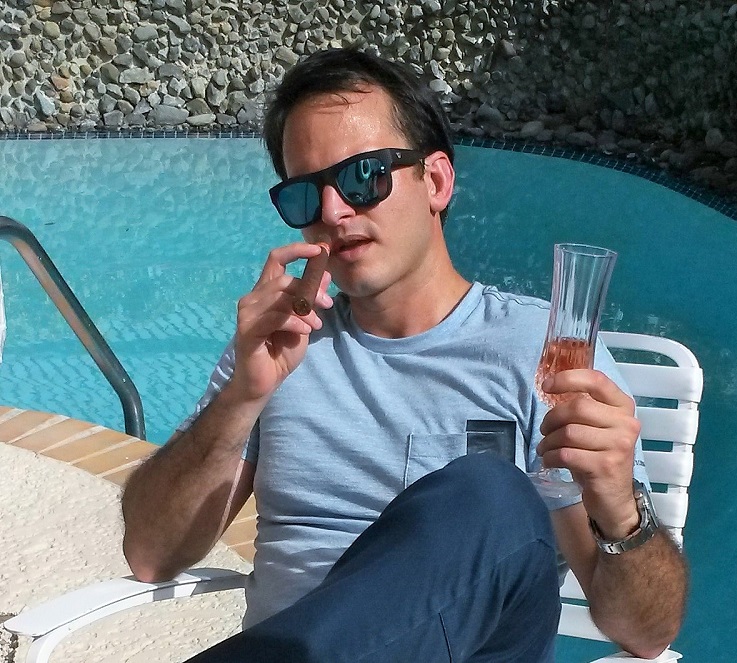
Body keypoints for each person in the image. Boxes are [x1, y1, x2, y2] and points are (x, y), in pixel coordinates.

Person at [121, 48, 687, 662]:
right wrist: (240, 399)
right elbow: (151, 555)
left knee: (489, 496)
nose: (334, 212)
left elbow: (646, 632)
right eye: (306, 196)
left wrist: (620, 511)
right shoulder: (278, 349)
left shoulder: (543, 354)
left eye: (363, 176)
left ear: (436, 182)